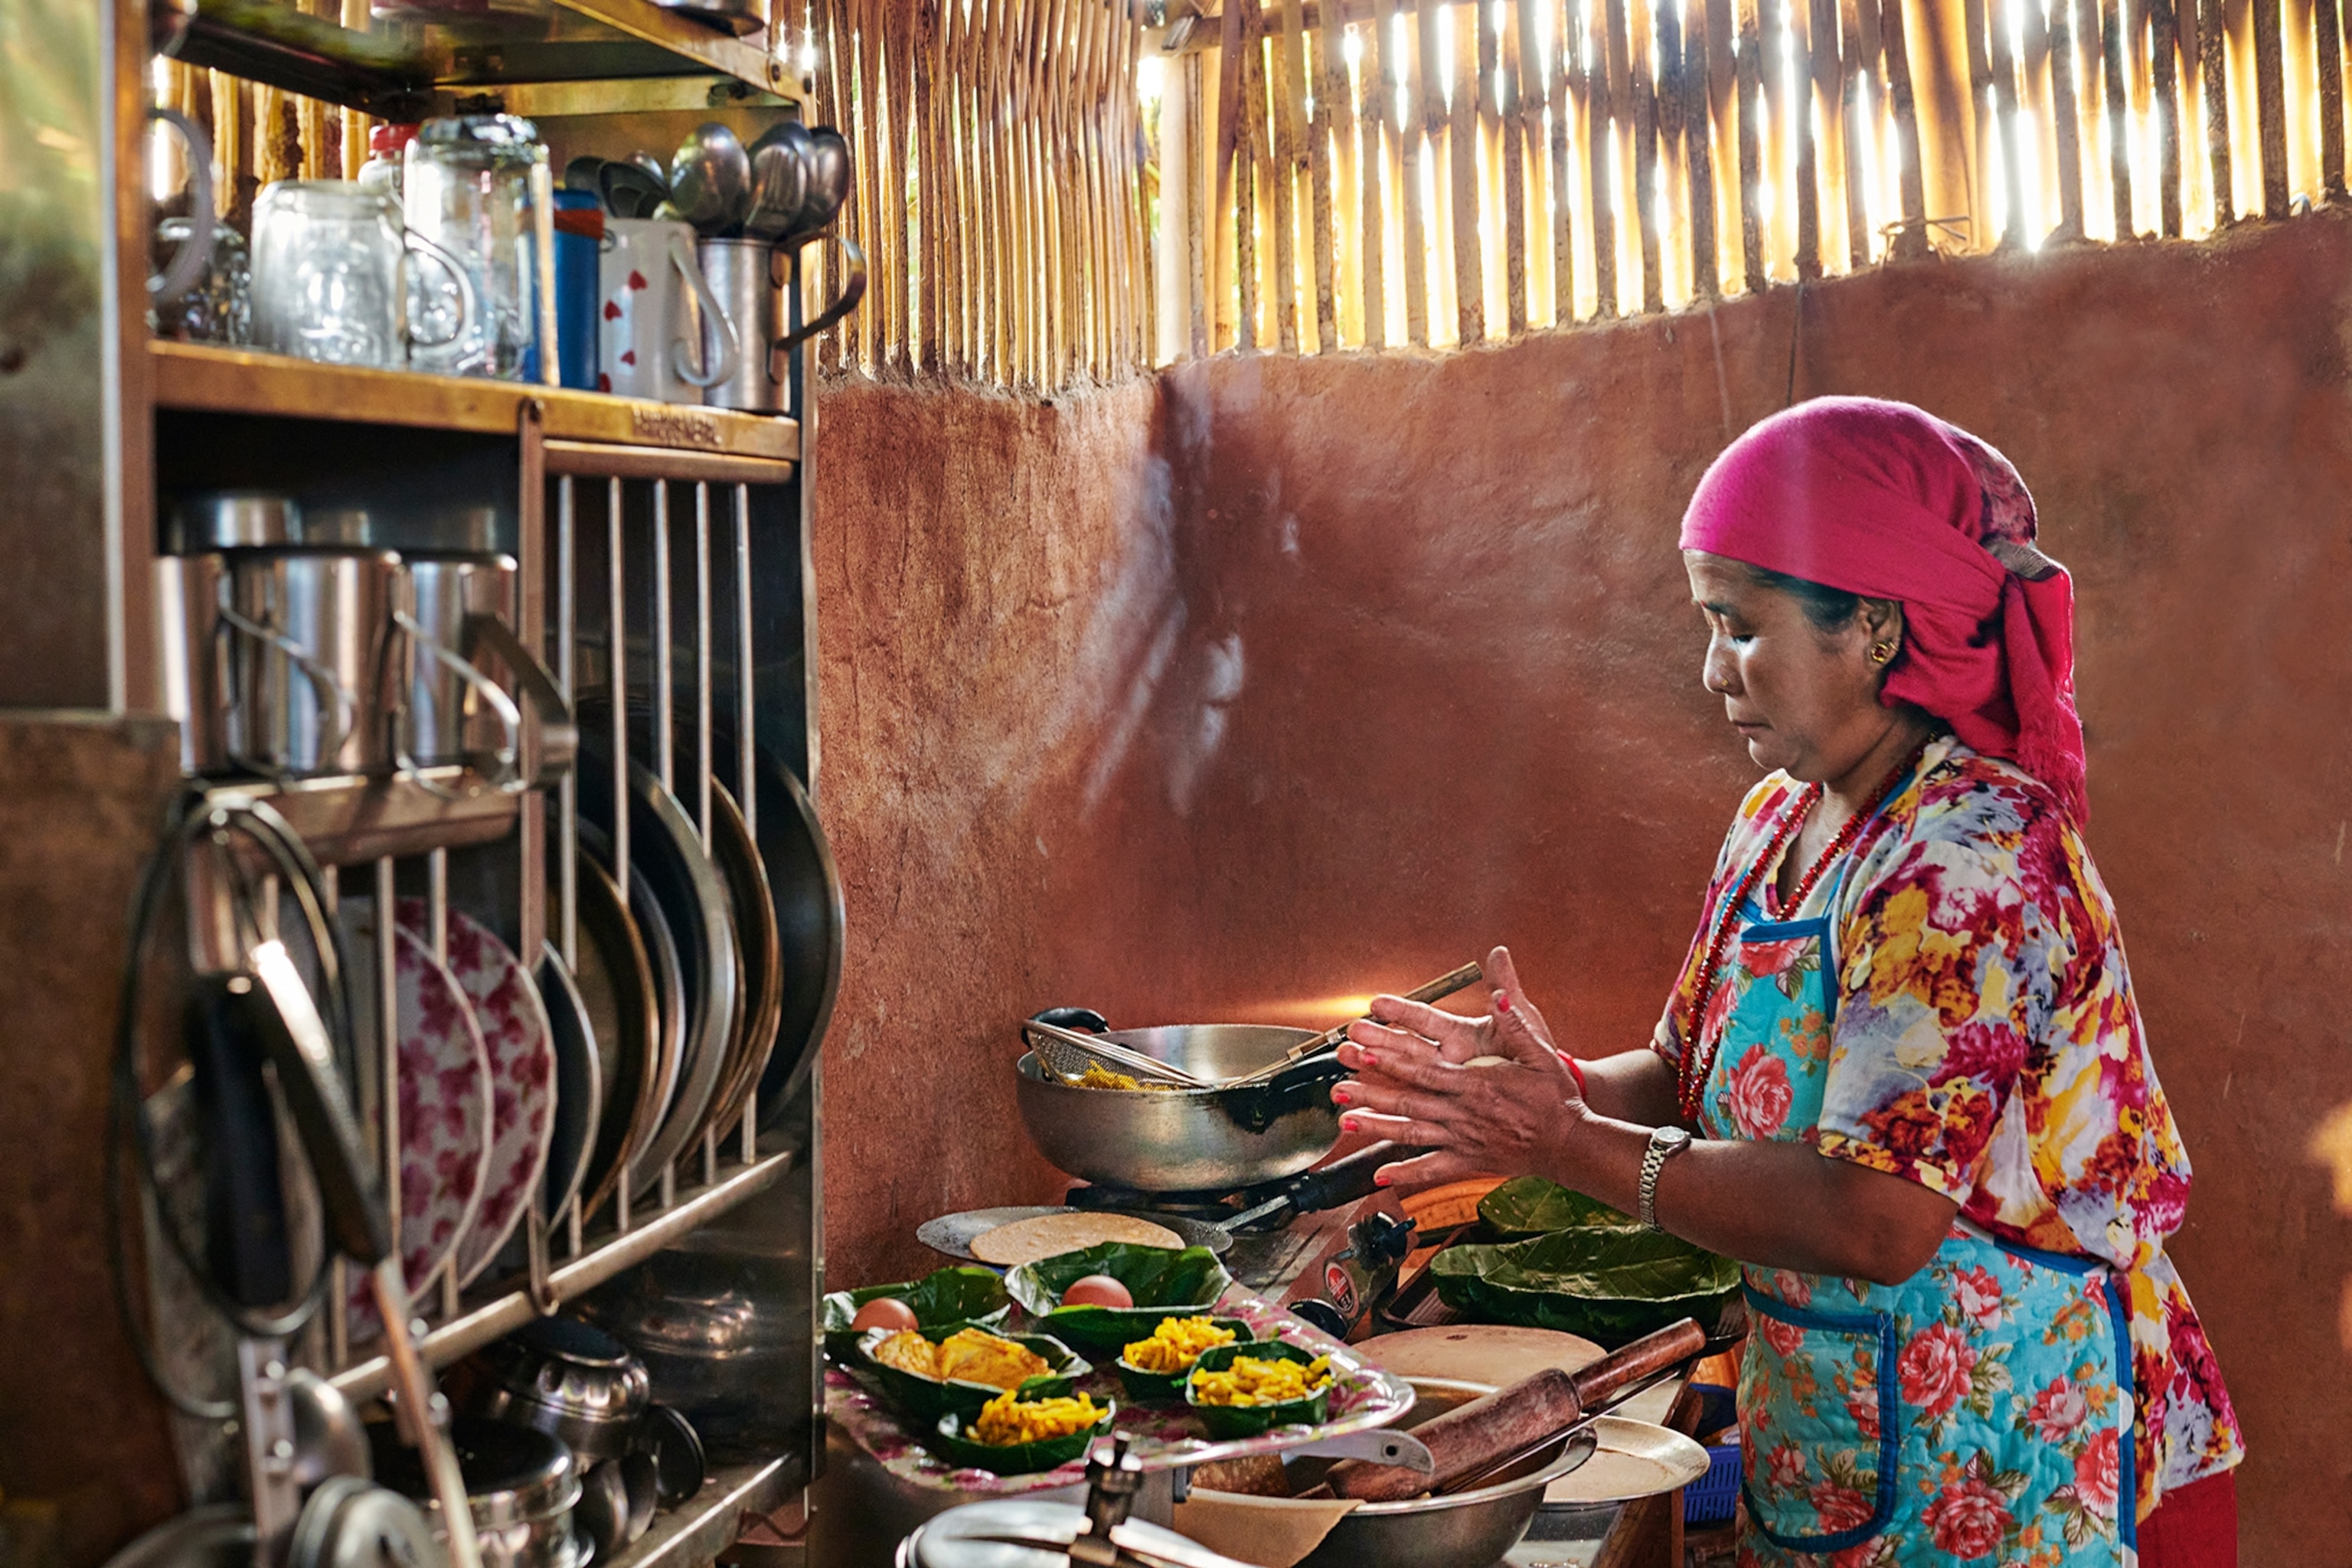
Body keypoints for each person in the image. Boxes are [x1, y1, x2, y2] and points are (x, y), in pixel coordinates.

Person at [1331, 398, 2243, 1566]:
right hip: (1844, 1440)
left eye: (1740, 628)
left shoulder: (1967, 860)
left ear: (1870, 626)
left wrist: (1566, 1145)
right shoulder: (1780, 822)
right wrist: (1542, 1087)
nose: (1714, 673)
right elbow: (1680, 1070)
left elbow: (1877, 1217)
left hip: (2014, 1463)